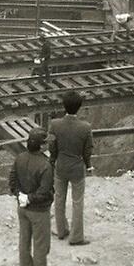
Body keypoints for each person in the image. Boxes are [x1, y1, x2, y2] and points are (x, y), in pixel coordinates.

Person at [10, 128, 56, 266]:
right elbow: (44, 193)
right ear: (41, 146)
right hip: (39, 210)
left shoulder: (19, 158)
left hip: (22, 208)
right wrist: (29, 198)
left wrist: (20, 196)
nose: (48, 145)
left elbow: (12, 181)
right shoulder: (45, 166)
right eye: (46, 143)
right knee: (41, 242)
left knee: (24, 238)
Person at [48, 90, 93, 245]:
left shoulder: (55, 124)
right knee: (77, 201)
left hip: (60, 166)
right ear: (79, 107)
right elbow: (87, 151)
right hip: (77, 168)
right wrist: (88, 165)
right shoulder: (85, 127)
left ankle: (61, 230)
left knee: (59, 198)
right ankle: (76, 237)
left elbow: (52, 146)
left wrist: (53, 160)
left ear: (64, 105)